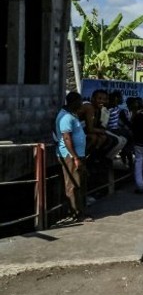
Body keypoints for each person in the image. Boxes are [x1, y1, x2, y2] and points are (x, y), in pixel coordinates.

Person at [54, 92, 92, 222]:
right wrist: (75, 157)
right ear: (74, 102)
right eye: (80, 101)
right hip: (70, 156)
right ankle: (76, 214)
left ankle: (80, 211)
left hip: (78, 155)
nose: (82, 104)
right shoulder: (66, 118)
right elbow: (66, 138)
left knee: (80, 183)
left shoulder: (71, 115)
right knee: (73, 184)